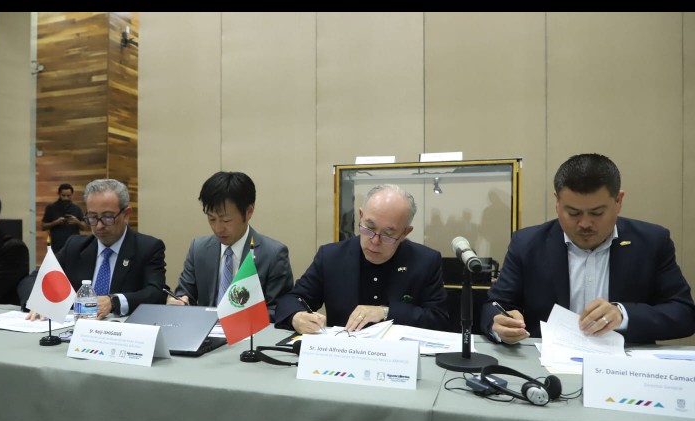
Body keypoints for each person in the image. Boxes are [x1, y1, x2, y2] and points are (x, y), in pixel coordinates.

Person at [481, 153, 695, 345]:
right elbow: (495, 305)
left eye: (597, 213)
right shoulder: (528, 244)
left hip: (625, 366)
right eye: (573, 213)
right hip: (546, 365)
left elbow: (684, 314)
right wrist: (498, 325)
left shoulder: (651, 242)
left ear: (618, 201)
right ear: (557, 203)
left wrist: (623, 315)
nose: (585, 224)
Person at [274, 184, 450, 333]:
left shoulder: (425, 261)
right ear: (361, 216)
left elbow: (439, 318)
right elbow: (292, 300)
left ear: (405, 233)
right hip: (343, 354)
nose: (375, 241)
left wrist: (385, 312)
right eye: (369, 228)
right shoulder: (331, 257)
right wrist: (296, 317)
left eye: (388, 234)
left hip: (400, 356)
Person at [21, 178, 167, 319]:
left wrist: (114, 301)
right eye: (92, 217)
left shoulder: (148, 248)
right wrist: (37, 303)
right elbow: (35, 278)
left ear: (126, 215)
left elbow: (156, 293)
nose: (99, 226)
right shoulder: (75, 246)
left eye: (108, 217)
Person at [168, 171, 294, 320]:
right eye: (211, 219)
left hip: (250, 332)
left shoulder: (273, 254)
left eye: (226, 220)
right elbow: (185, 295)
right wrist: (178, 303)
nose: (218, 228)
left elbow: (280, 310)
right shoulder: (198, 249)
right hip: (205, 331)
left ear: (249, 212)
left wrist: (237, 317)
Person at [42, 183, 87, 253]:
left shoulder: (76, 208)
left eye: (68, 196)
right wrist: (55, 223)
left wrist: (77, 222)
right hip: (56, 245)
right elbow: (43, 227)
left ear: (72, 194)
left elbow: (84, 227)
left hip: (73, 245)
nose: (66, 198)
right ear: (59, 194)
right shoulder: (51, 208)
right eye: (63, 195)